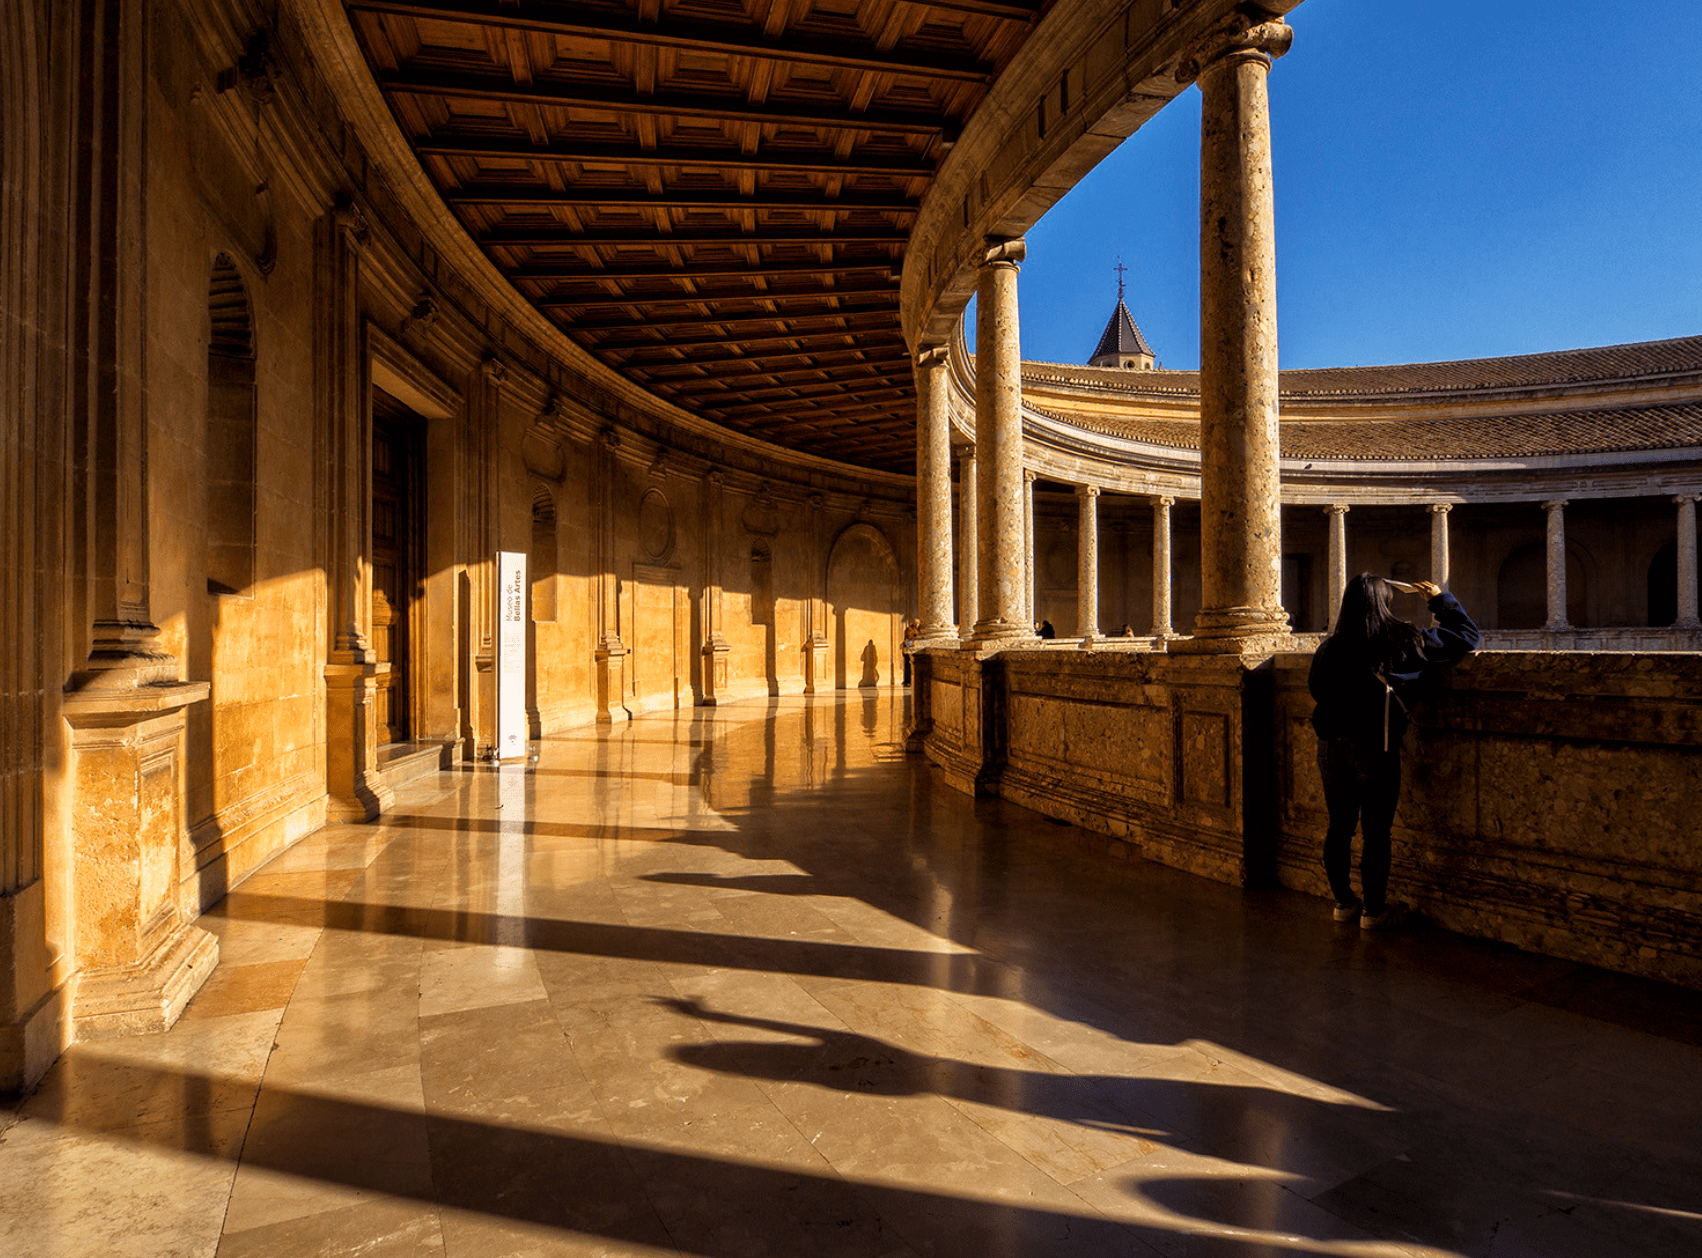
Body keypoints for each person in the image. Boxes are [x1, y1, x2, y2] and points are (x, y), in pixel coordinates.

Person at [1308, 575, 1480, 931]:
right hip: (1374, 746)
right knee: (1376, 834)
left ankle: (1343, 904)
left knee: (1339, 828)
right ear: (1386, 602)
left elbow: (1316, 690)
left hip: (1331, 746)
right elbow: (1466, 636)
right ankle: (1373, 912)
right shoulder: (1403, 639)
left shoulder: (1329, 648)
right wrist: (1440, 600)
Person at [900, 619, 918, 686]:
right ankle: (907, 680)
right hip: (907, 649)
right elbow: (909, 638)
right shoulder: (909, 629)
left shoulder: (914, 630)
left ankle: (908, 680)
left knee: (908, 665)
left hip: (909, 649)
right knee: (907, 666)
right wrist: (915, 635)